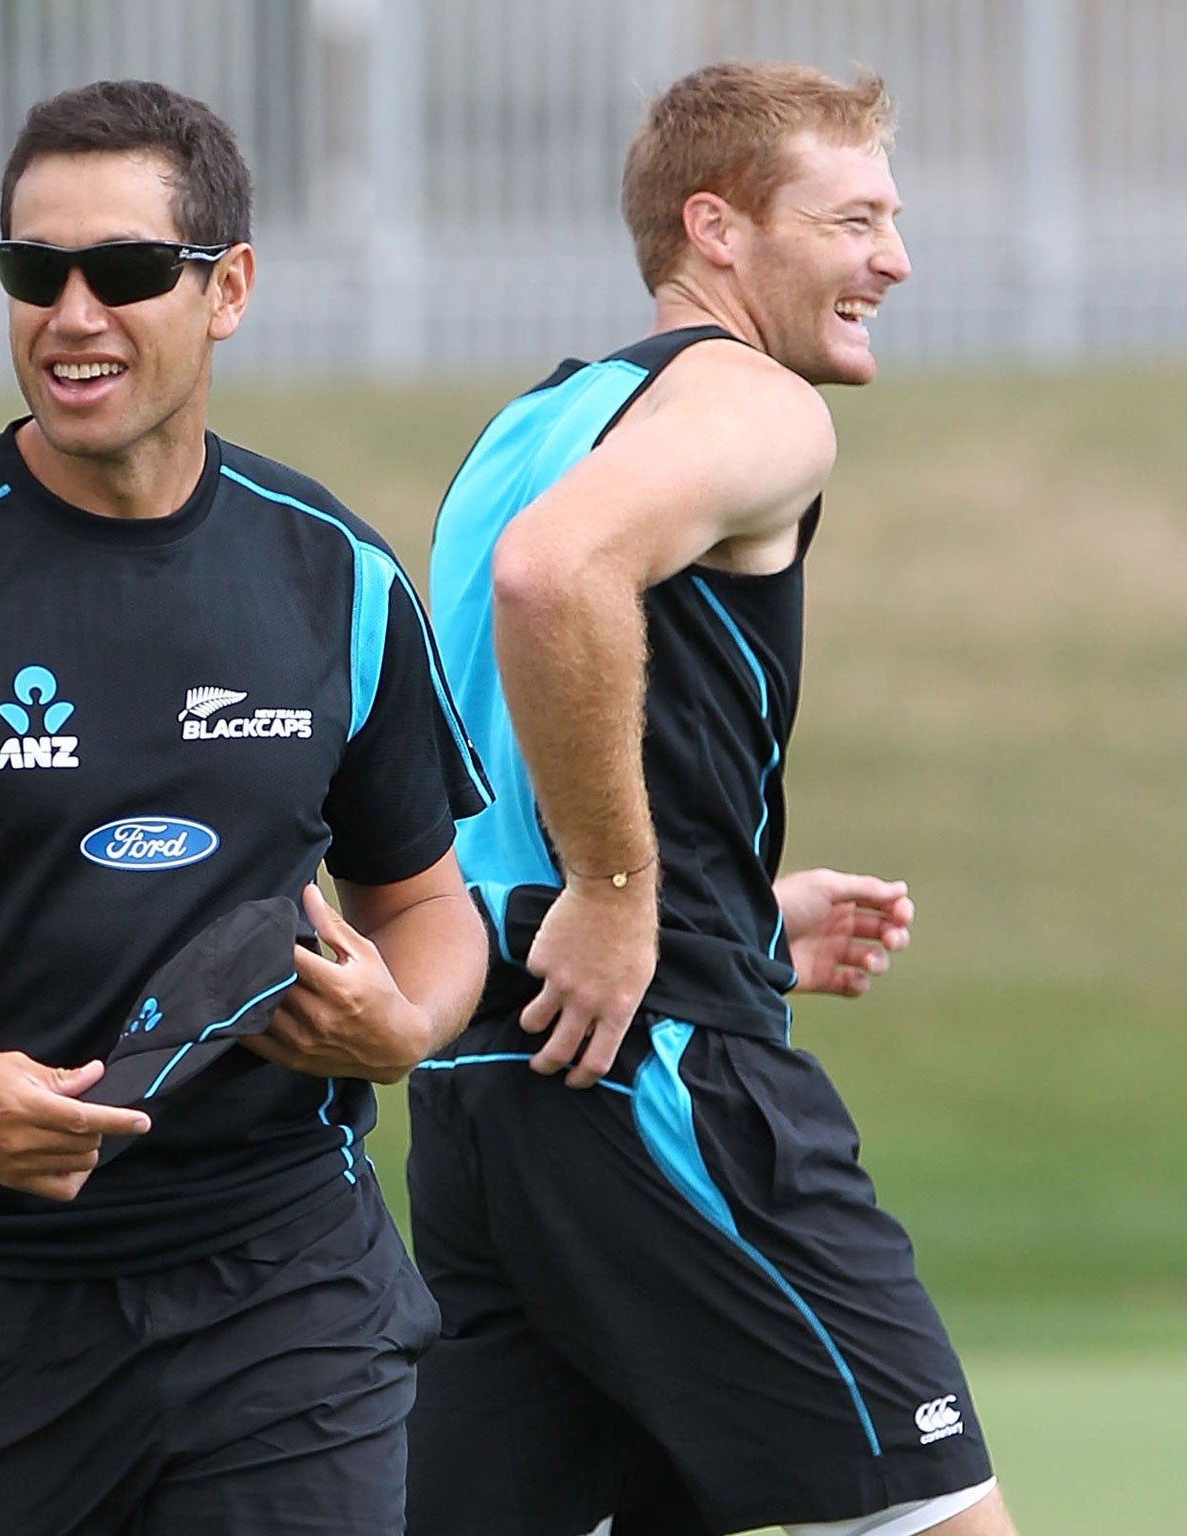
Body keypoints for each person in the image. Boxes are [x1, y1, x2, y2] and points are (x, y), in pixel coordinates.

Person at [0, 78, 492, 1536]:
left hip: (287, 1291)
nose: (71, 312)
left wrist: (407, 1022)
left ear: (227, 288)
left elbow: (428, 903)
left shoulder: (335, 576)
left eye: (121, 271)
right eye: (31, 270)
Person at [406, 62, 1016, 1536]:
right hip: (650, 1067)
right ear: (718, 229)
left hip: (482, 1099)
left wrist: (726, 904)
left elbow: (500, 730)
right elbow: (560, 578)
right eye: (855, 217)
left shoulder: (529, 421)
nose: (896, 258)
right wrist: (627, 906)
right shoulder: (758, 406)